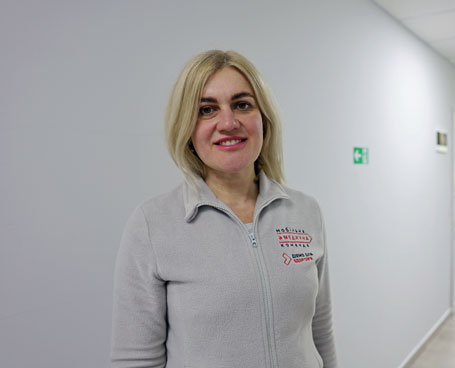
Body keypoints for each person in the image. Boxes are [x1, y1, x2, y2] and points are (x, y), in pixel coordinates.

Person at [111, 50, 337, 368]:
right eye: (206, 110)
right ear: (187, 129)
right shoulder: (152, 224)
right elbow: (135, 359)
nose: (228, 122)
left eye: (242, 104)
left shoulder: (305, 211)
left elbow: (320, 332)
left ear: (264, 118)